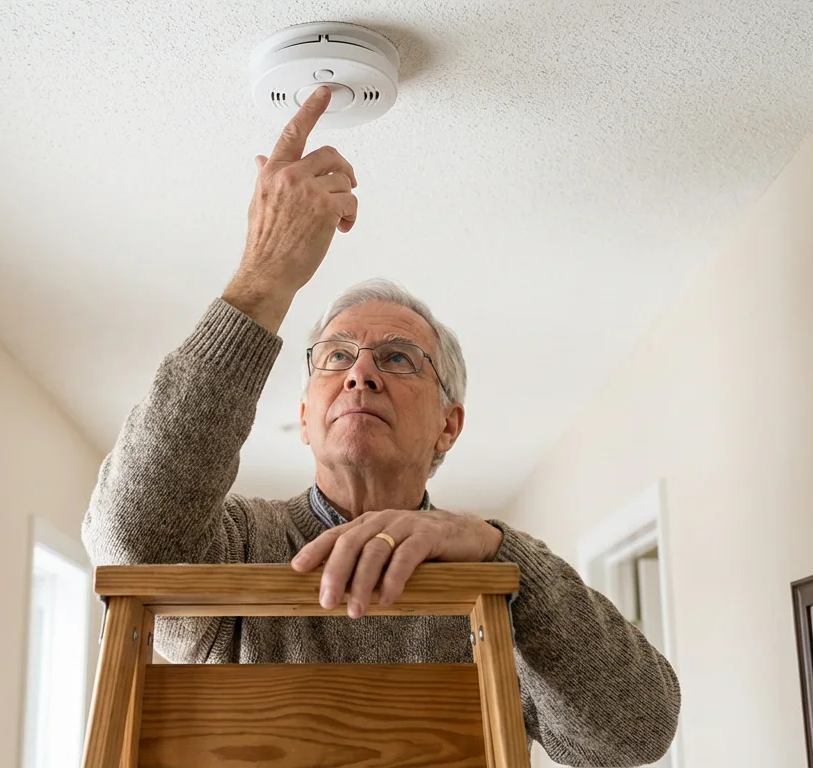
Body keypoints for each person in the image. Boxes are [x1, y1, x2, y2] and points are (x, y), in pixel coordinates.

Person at [82, 86, 680, 766]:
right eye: (337, 357)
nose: (360, 375)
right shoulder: (240, 545)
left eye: (398, 359)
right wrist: (263, 281)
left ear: (448, 426)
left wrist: (500, 553)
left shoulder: (487, 570)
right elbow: (129, 543)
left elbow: (639, 731)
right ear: (304, 416)